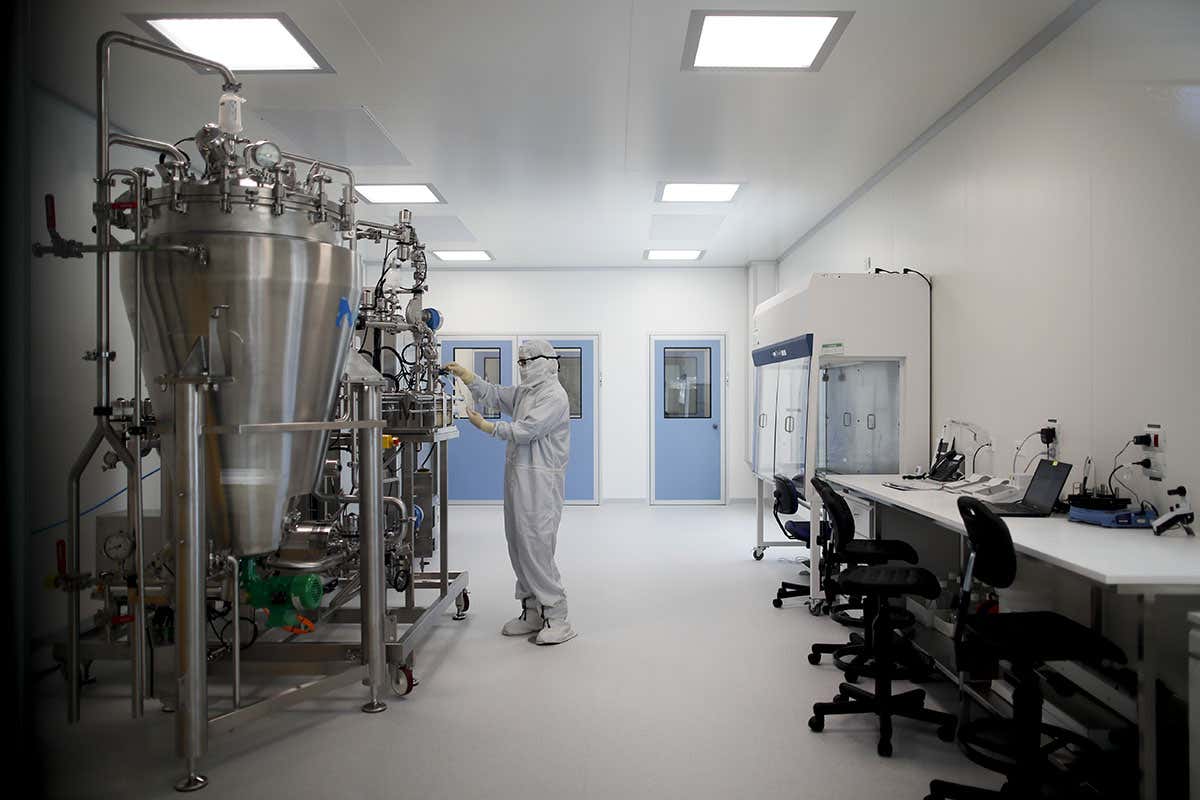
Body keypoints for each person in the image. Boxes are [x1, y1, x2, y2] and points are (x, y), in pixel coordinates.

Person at [445, 339, 576, 645]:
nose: (523, 368)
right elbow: (495, 395)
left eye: (527, 362)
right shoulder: (527, 393)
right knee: (518, 543)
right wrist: (469, 377)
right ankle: (531, 611)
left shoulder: (554, 396)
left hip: (541, 483)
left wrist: (488, 428)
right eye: (520, 362)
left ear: (546, 362)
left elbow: (527, 430)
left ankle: (557, 616)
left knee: (536, 546)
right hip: (518, 478)